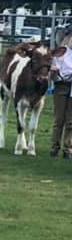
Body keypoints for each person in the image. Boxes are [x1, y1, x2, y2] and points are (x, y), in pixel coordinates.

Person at [50, 28, 72, 159]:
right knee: (59, 119)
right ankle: (54, 146)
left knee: (71, 120)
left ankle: (68, 147)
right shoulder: (61, 52)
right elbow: (55, 71)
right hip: (61, 86)